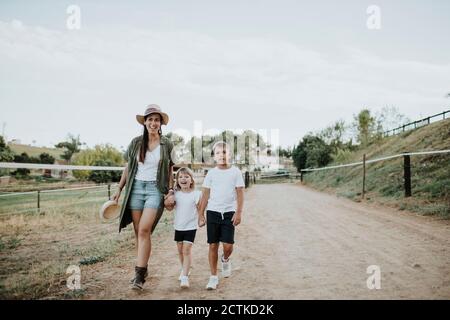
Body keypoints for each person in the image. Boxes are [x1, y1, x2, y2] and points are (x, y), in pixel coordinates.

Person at [113, 104, 175, 291]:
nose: (153, 123)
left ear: (160, 123)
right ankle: (143, 269)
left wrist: (171, 190)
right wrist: (119, 189)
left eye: (157, 120)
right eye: (150, 119)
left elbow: (171, 168)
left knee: (144, 230)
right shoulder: (135, 143)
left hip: (155, 190)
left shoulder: (167, 144)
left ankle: (138, 276)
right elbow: (128, 167)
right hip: (136, 189)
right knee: (139, 232)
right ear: (145, 122)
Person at [198, 141, 245, 290]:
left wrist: (238, 212)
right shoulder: (211, 174)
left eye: (224, 152)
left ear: (229, 154)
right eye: (218, 153)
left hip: (229, 212)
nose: (222, 155)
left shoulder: (235, 172)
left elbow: (240, 193)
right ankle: (213, 277)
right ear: (214, 156)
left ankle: (225, 259)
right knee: (213, 245)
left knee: (228, 245)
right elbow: (205, 195)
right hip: (213, 212)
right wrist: (201, 214)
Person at [165, 167, 202, 289]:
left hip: (191, 227)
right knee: (180, 251)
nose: (183, 179)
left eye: (186, 177)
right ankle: (184, 269)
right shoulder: (176, 194)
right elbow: (169, 208)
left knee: (186, 250)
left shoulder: (197, 194)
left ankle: (185, 277)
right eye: (180, 177)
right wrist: (168, 200)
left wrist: (202, 217)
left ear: (191, 180)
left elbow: (199, 208)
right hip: (178, 226)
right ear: (177, 180)